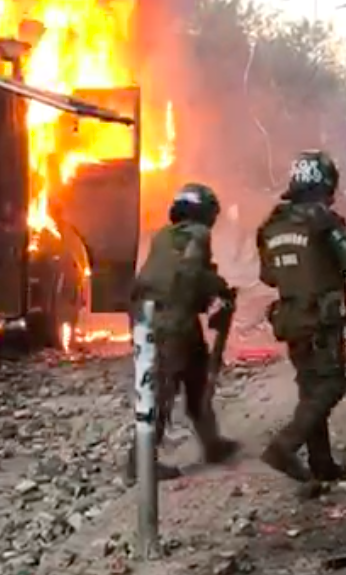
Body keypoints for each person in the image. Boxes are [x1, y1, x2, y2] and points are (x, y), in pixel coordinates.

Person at [256, 151, 346, 484]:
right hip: (322, 322)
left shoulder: (272, 224)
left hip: (291, 320)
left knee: (310, 390)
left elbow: (269, 276)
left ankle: (322, 463)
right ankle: (284, 446)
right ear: (326, 184)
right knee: (333, 384)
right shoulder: (324, 221)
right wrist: (332, 234)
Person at [126, 182, 241, 481]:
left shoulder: (164, 235)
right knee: (163, 389)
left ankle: (213, 444)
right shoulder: (198, 235)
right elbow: (191, 274)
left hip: (157, 316)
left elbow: (175, 275)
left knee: (196, 378)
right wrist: (218, 290)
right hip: (171, 322)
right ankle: (140, 463)